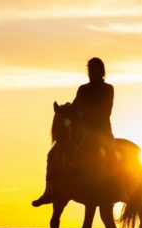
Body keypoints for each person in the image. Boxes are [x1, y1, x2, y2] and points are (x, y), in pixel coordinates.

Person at [32, 57, 122, 207]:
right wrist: (64, 110)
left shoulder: (108, 89)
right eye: (89, 68)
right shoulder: (82, 89)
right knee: (52, 154)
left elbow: (105, 111)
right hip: (81, 130)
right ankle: (49, 192)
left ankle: (119, 187)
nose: (91, 71)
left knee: (112, 150)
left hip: (101, 130)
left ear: (101, 70)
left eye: (94, 68)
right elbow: (75, 106)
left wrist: (86, 114)